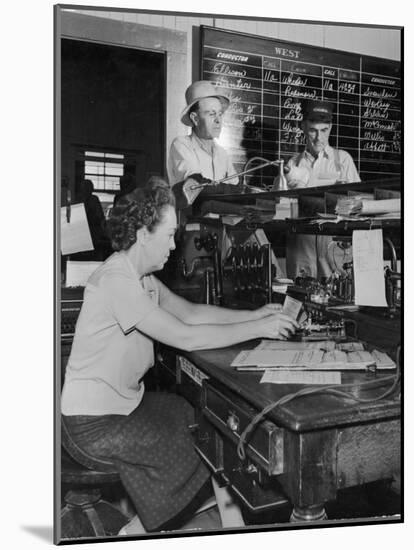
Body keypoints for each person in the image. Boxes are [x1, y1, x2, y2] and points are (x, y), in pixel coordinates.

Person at [61, 178, 298, 536]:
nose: (174, 245)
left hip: (125, 404)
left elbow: (189, 313)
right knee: (201, 436)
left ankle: (229, 525)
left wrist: (257, 316)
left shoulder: (140, 277)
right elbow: (184, 336)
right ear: (143, 233)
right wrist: (258, 330)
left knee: (208, 420)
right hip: (93, 423)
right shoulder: (116, 280)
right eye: (169, 234)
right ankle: (135, 531)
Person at [285, 100, 361, 279]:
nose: (319, 138)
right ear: (303, 127)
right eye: (313, 130)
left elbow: (359, 205)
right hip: (301, 248)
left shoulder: (343, 160)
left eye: (324, 130)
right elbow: (280, 208)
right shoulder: (292, 164)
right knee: (300, 299)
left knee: (337, 300)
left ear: (331, 128)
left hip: (334, 248)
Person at [167, 80, 239, 203]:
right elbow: (196, 185)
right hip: (190, 221)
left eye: (220, 114)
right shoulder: (181, 145)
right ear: (195, 119)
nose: (218, 120)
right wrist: (234, 190)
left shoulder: (222, 154)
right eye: (211, 114)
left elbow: (236, 188)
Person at [81, 179, 110, 260]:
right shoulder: (79, 200)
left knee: (95, 255)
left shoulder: (94, 199)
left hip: (95, 232)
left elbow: (100, 216)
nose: (85, 190)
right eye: (84, 188)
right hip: (83, 233)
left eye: (87, 188)